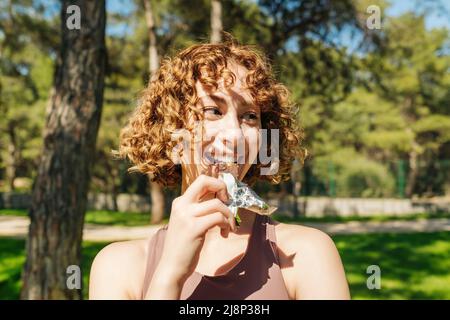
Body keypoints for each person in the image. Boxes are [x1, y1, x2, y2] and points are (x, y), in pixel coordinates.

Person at [89, 37, 350, 300]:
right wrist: (170, 273)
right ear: (172, 139)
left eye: (249, 116)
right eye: (213, 110)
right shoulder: (118, 267)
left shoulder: (305, 255)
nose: (235, 135)